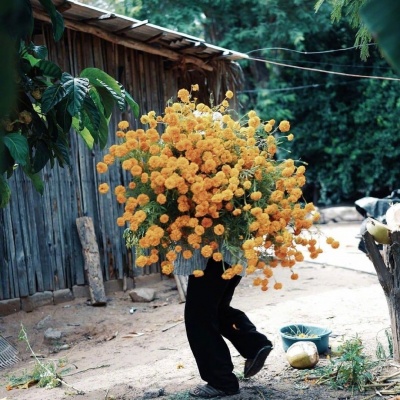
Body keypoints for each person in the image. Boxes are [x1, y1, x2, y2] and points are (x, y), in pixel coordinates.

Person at [174, 250, 273, 398]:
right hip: (231, 249)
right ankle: (254, 345)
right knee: (216, 308)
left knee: (199, 316)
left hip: (213, 251)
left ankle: (221, 381)